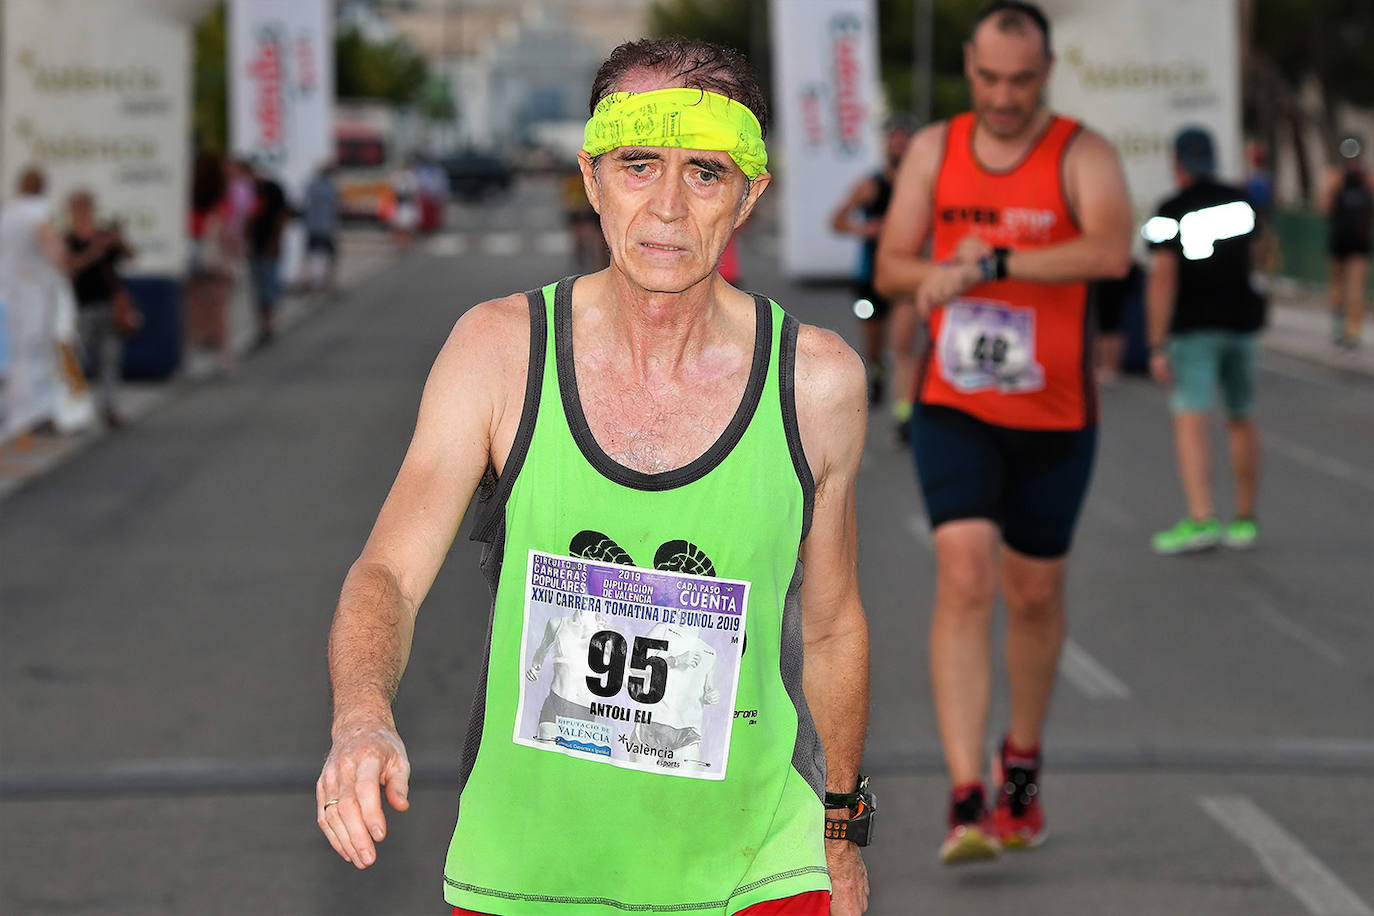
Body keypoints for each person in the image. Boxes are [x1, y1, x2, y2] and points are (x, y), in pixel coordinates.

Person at [316, 36, 872, 916]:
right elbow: (387, 571)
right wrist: (360, 717)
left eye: (705, 174)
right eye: (639, 165)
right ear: (592, 179)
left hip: (756, 870)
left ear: (750, 195)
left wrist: (841, 833)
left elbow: (834, 629)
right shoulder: (498, 353)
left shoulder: (819, 383)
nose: (666, 210)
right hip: (528, 873)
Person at [874, 0, 1132, 865]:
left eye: (1022, 80)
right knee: (965, 571)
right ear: (970, 67)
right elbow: (890, 265)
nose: (1004, 96)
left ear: (1045, 73)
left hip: (1056, 413)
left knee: (1033, 594)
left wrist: (997, 263)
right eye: (989, 78)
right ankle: (965, 796)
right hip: (956, 401)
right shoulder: (937, 151)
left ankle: (1019, 759)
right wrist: (934, 277)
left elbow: (1109, 251)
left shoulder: (1080, 153)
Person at [1144, 126, 1265, 554]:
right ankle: (1246, 519)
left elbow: (1163, 275)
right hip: (1241, 323)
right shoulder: (1241, 202)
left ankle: (1202, 518)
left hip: (1194, 325)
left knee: (1192, 419)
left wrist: (1155, 342)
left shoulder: (1169, 209)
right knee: (1241, 417)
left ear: (1177, 164)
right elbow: (1260, 253)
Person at [830, 121, 918, 427]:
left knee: (904, 349)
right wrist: (866, 229)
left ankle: (904, 419)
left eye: (904, 141)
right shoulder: (871, 185)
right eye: (894, 140)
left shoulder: (920, 186)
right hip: (870, 279)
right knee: (874, 344)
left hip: (906, 280)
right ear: (886, 146)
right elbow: (837, 221)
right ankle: (876, 367)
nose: (899, 146)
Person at [0, 166, 70, 444]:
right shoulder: (35, 210)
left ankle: (16, 413)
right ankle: (32, 415)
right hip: (33, 289)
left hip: (9, 289)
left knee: (16, 354)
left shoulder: (9, 211)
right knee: (35, 351)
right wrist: (62, 261)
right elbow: (48, 239)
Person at [65, 189, 136, 428]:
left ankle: (109, 407)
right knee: (82, 361)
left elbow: (130, 256)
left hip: (108, 305)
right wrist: (94, 251)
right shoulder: (68, 239)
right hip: (81, 306)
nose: (84, 212)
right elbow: (70, 267)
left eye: (88, 207)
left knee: (110, 359)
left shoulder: (104, 235)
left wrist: (118, 239)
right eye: (80, 207)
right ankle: (78, 409)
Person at [187, 152, 237, 374]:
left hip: (192, 251)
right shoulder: (220, 199)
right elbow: (224, 232)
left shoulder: (190, 196)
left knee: (193, 304)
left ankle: (193, 348)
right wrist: (231, 256)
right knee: (220, 305)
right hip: (213, 255)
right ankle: (222, 355)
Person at [1321, 135, 1372, 349]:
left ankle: (1352, 331)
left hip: (1357, 240)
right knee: (1339, 286)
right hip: (1341, 239)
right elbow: (1324, 206)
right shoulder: (1336, 177)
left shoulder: (1367, 179)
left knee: (1355, 288)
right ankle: (1341, 327)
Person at [245, 168, 291, 346]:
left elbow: (281, 216)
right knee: (258, 286)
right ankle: (263, 323)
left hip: (268, 246)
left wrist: (276, 241)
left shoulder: (273, 190)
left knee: (269, 283)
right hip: (256, 246)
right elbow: (248, 219)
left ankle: (269, 322)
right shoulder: (251, 191)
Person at [302, 163, 341, 295]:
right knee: (331, 256)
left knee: (309, 255)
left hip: (312, 226)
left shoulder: (311, 185)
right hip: (326, 226)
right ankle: (329, 284)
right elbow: (335, 204)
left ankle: (307, 281)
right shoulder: (329, 187)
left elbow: (305, 203)